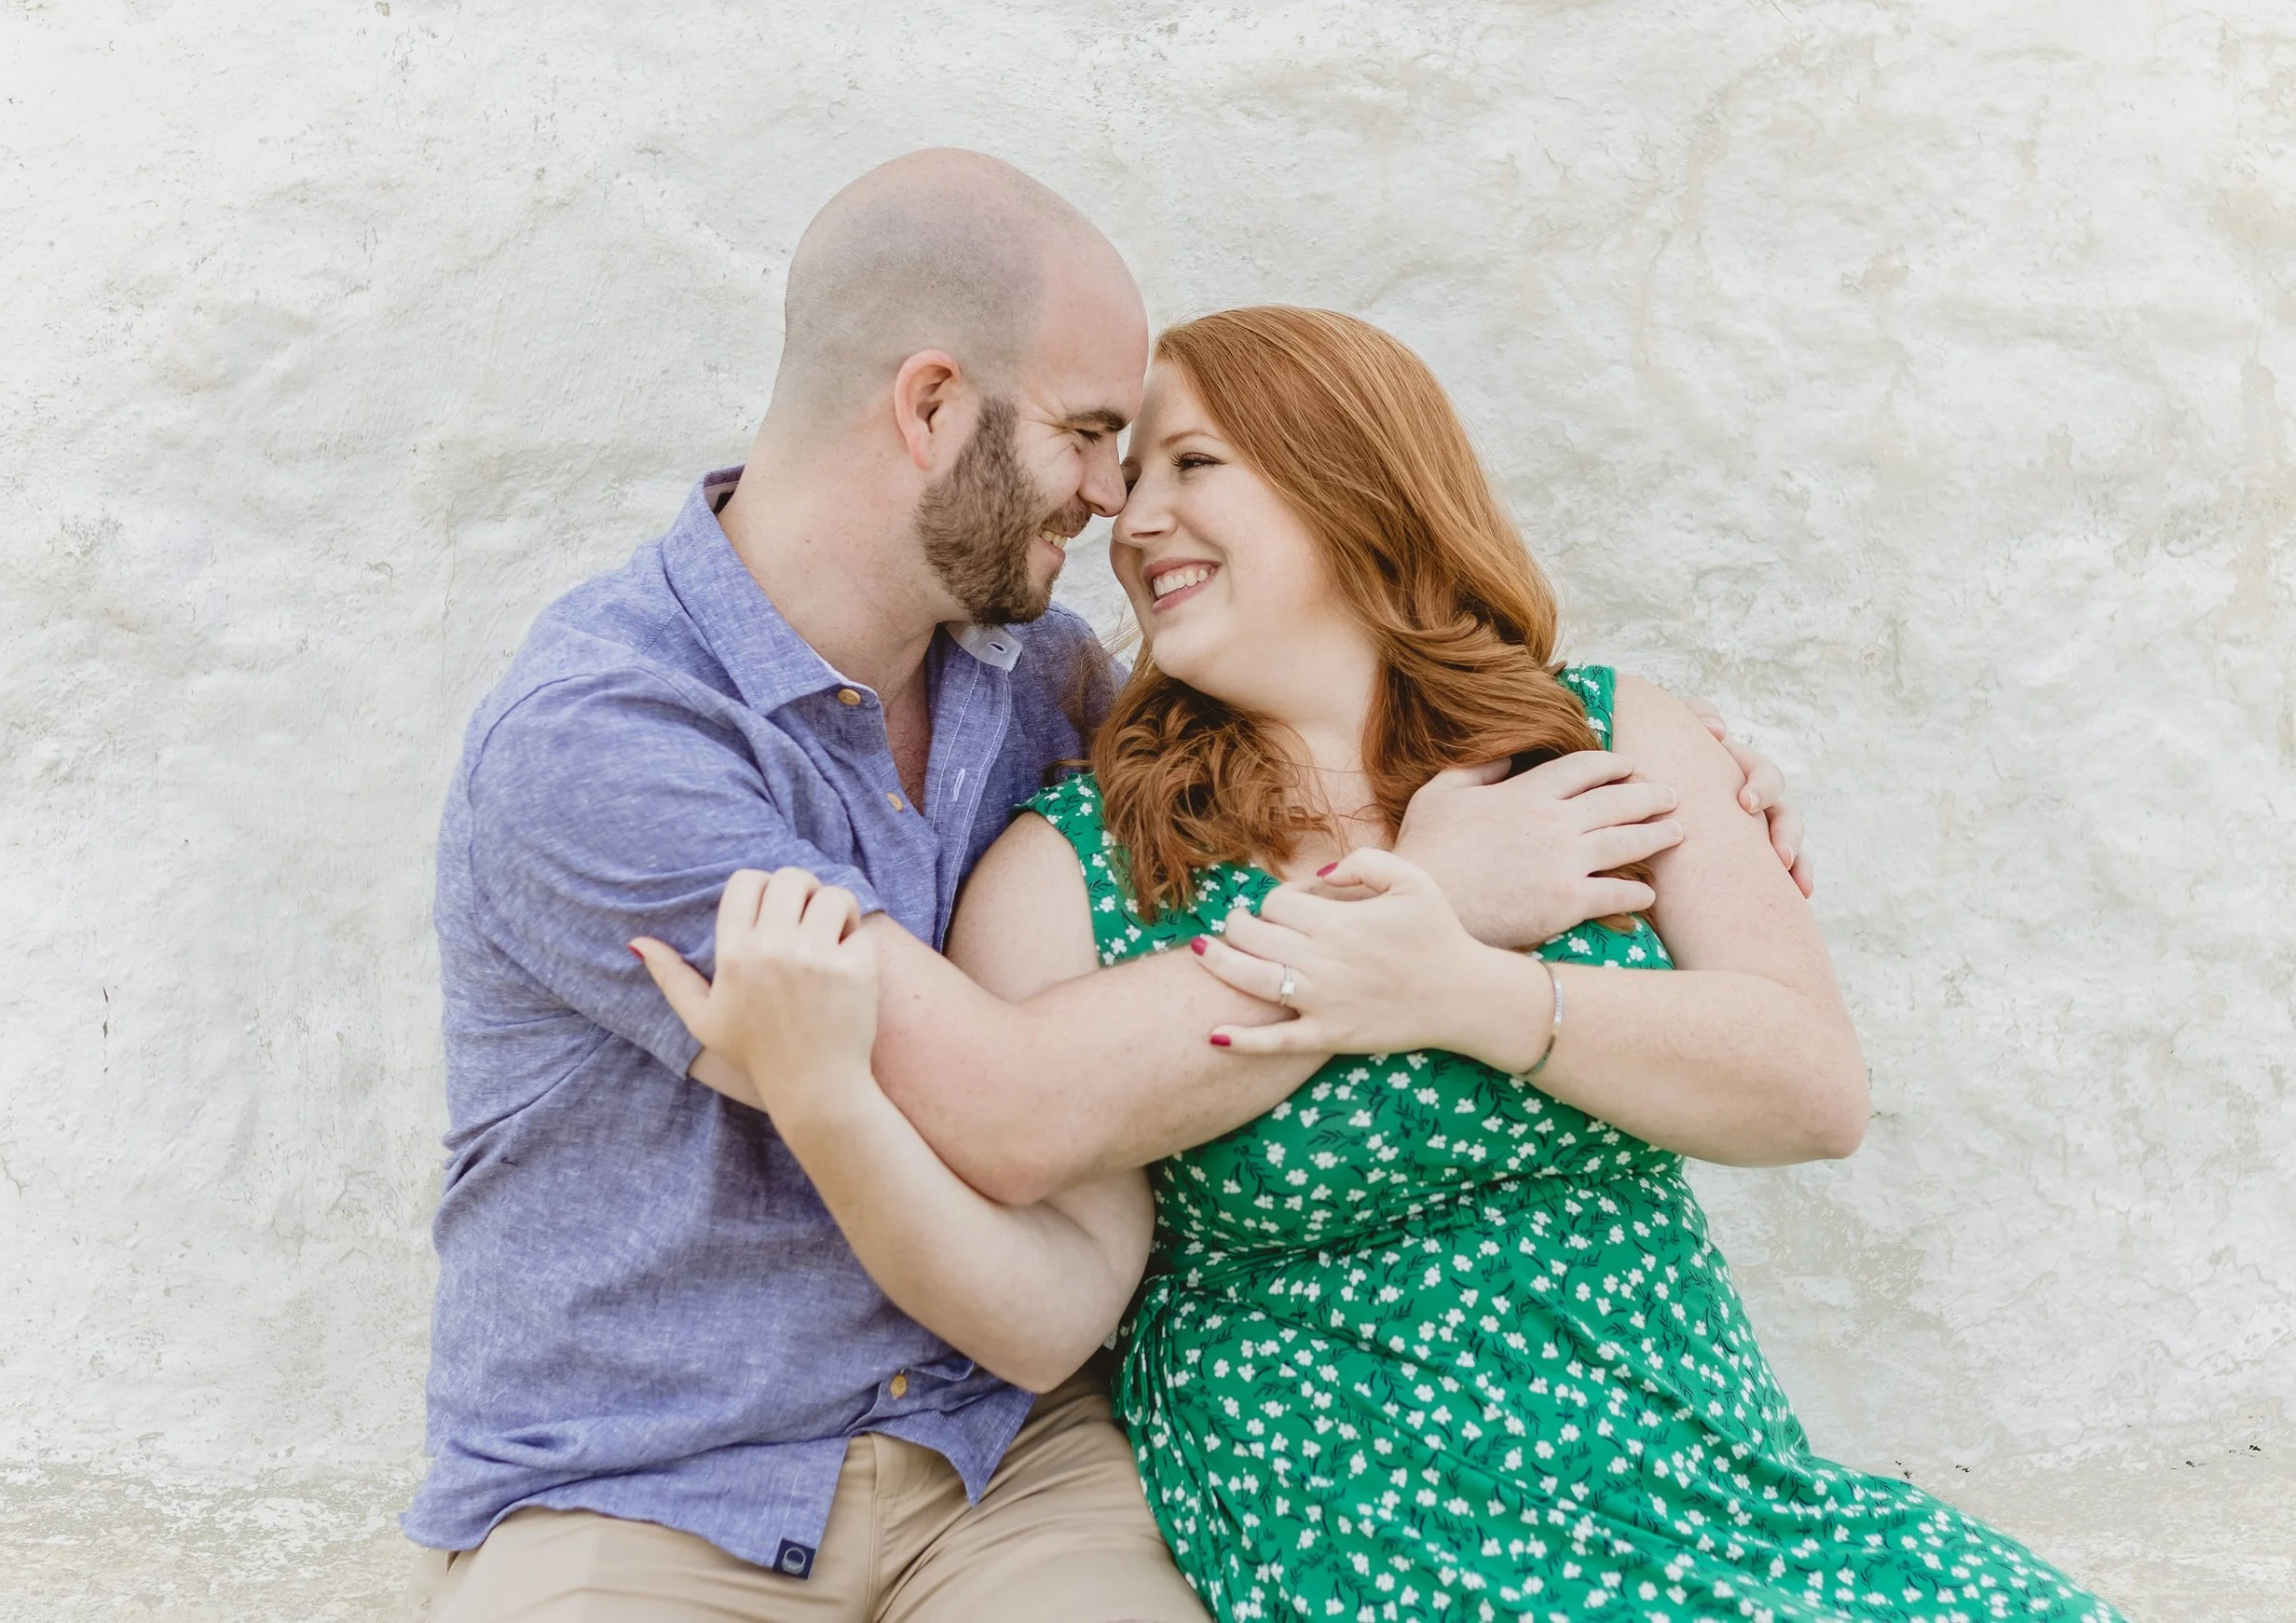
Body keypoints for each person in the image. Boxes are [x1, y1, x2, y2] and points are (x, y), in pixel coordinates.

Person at [404, 147, 1805, 1622]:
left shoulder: (1045, 685)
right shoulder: (604, 736)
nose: (1110, 496)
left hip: (1006, 1458)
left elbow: (1284, 776)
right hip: (645, 1479)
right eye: (1087, 434)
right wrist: (1417, 897)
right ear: (930, 405)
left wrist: (1703, 778)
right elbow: (1002, 1105)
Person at [639, 307, 2127, 1621]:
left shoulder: (1602, 742)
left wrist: (1477, 993)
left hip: (1698, 1468)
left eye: (1192, 463)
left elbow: (1812, 1088)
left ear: (1351, 481)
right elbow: (1038, 1181)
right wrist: (1401, 915)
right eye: (1129, 473)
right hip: (1363, 1512)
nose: (1132, 516)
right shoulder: (1079, 858)